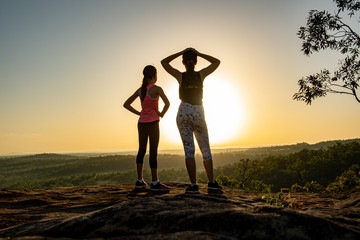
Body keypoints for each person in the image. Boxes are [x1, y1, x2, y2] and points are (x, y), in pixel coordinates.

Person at [161, 48, 222, 193]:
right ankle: (211, 182)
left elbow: (164, 62)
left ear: (183, 62)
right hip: (198, 112)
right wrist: (199, 54)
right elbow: (216, 62)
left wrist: (180, 52)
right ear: (196, 62)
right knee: (205, 149)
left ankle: (193, 185)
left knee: (189, 150)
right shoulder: (201, 75)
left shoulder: (180, 76)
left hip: (183, 112)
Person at [123, 65, 170, 191]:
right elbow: (168, 103)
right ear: (154, 76)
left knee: (141, 150)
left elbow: (126, 104)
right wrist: (161, 113)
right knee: (153, 152)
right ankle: (154, 182)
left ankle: (139, 181)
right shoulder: (157, 89)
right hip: (153, 123)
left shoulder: (141, 90)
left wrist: (140, 113)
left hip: (142, 123)